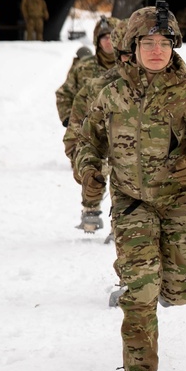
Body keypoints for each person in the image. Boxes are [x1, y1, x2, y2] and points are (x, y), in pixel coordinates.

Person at [74, 2, 186, 371]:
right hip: (131, 203)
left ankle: (164, 286)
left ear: (174, 47)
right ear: (132, 48)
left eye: (164, 43)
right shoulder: (113, 94)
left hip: (180, 202)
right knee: (139, 289)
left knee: (179, 290)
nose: (157, 50)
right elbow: (87, 141)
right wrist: (88, 168)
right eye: (148, 43)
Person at [63, 17, 119, 232]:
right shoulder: (84, 68)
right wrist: (68, 120)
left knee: (123, 176)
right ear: (97, 41)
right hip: (91, 133)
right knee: (92, 174)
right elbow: (66, 94)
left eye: (112, 37)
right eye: (103, 37)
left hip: (123, 134)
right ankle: (90, 211)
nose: (108, 42)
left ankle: (121, 224)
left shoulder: (133, 70)